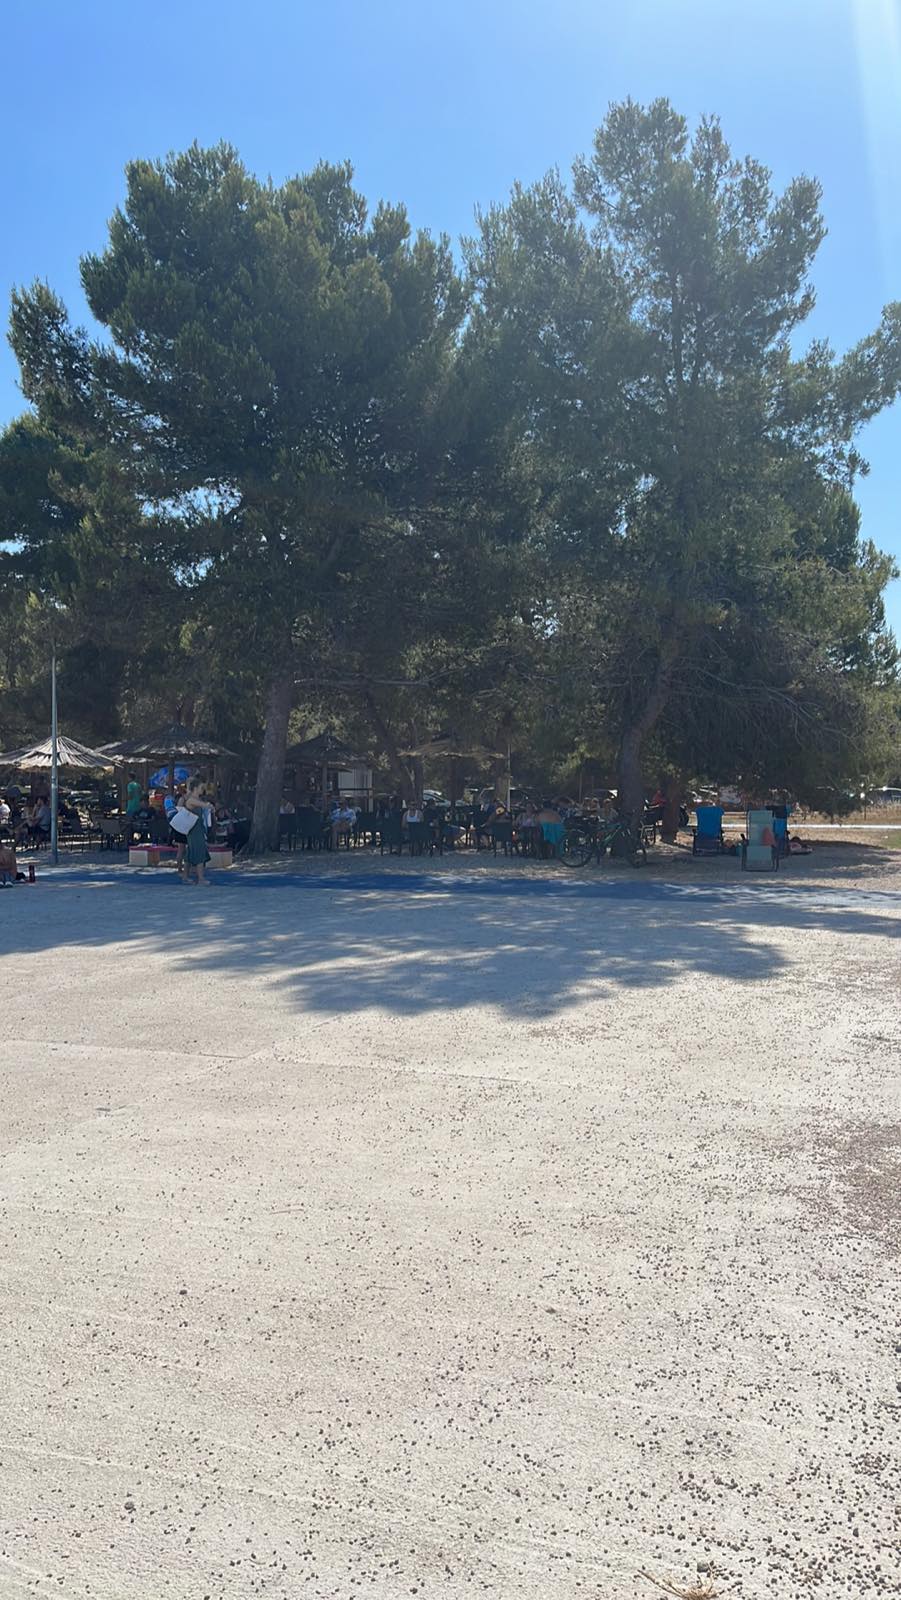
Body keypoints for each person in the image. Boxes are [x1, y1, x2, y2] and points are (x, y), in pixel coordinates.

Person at [179, 777, 212, 885]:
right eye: (201, 787)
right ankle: (201, 878)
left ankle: (185, 876)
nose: (202, 789)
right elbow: (204, 805)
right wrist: (208, 805)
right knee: (199, 851)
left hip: (197, 828)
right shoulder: (191, 799)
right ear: (195, 788)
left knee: (191, 852)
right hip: (194, 830)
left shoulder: (196, 799)